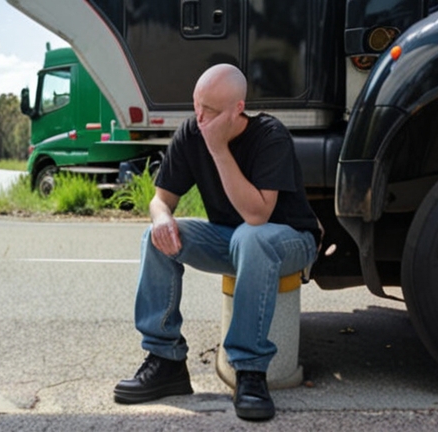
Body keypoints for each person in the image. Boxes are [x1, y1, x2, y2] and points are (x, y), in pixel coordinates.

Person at [113, 64, 321, 421]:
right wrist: (162, 217)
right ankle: (166, 361)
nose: (200, 117)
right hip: (233, 241)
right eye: (197, 105)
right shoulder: (192, 131)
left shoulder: (270, 135)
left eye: (210, 110)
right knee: (156, 237)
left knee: (251, 236)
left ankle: (250, 371)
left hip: (288, 240)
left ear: (238, 109)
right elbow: (160, 200)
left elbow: (257, 215)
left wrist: (219, 151)